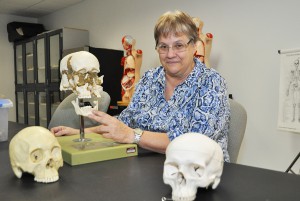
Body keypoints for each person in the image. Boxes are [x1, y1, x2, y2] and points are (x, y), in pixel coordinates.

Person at [51, 10, 231, 162]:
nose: (170, 54)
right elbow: (123, 125)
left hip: (200, 174)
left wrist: (133, 136)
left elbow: (193, 143)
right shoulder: (149, 79)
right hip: (151, 164)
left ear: (194, 46)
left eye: (179, 45)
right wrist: (80, 131)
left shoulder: (212, 83)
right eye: (163, 46)